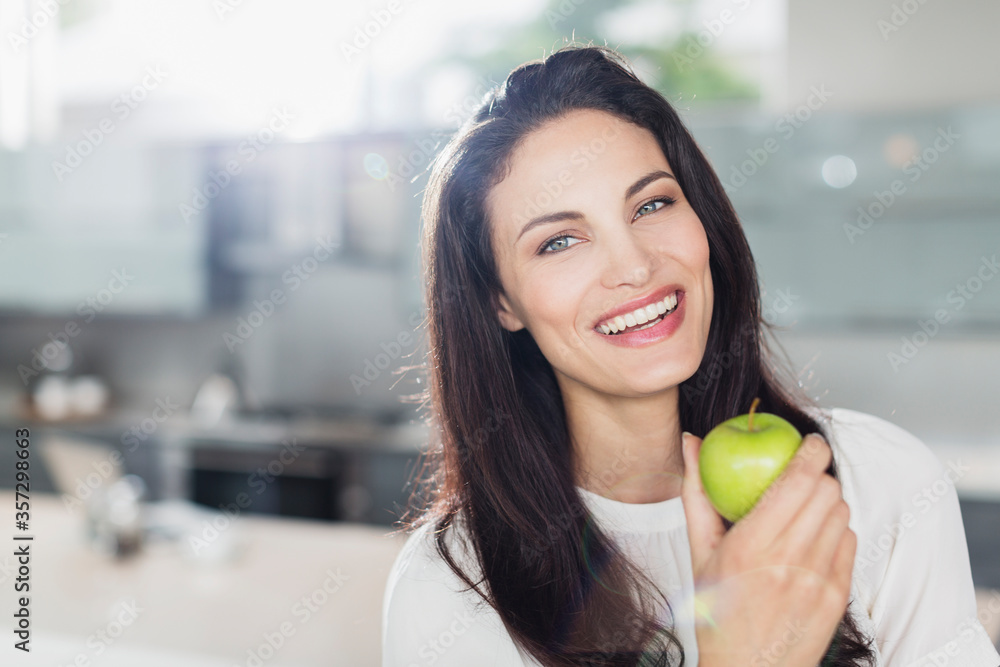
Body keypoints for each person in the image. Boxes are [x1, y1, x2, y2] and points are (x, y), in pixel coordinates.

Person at [381, 45, 1000, 667]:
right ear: (501, 302)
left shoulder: (884, 482)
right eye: (560, 241)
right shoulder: (451, 586)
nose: (635, 265)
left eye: (651, 204)